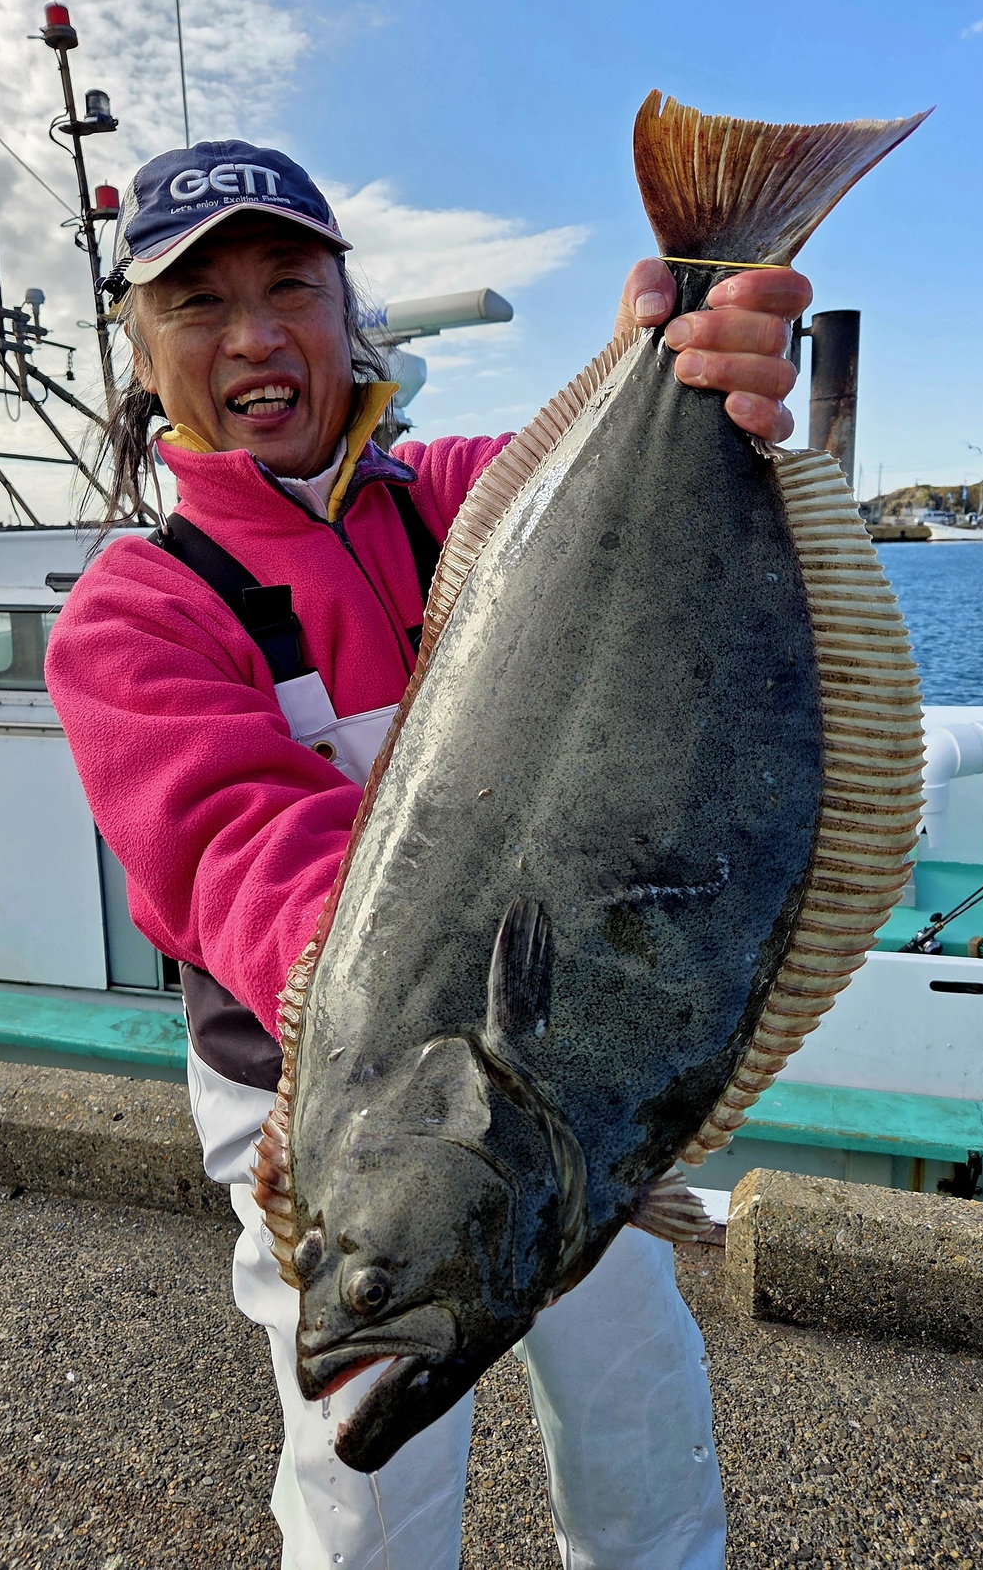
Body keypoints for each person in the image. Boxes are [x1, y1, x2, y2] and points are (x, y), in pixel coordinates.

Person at [44, 139, 811, 1570]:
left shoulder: (460, 498)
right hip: (334, 1127)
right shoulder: (131, 616)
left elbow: (619, 497)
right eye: (199, 303)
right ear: (143, 354)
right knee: (365, 1488)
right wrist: (429, 1042)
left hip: (573, 1069)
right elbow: (241, 852)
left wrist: (688, 355)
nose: (254, 336)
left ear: (350, 314)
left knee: (637, 1403)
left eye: (291, 287)